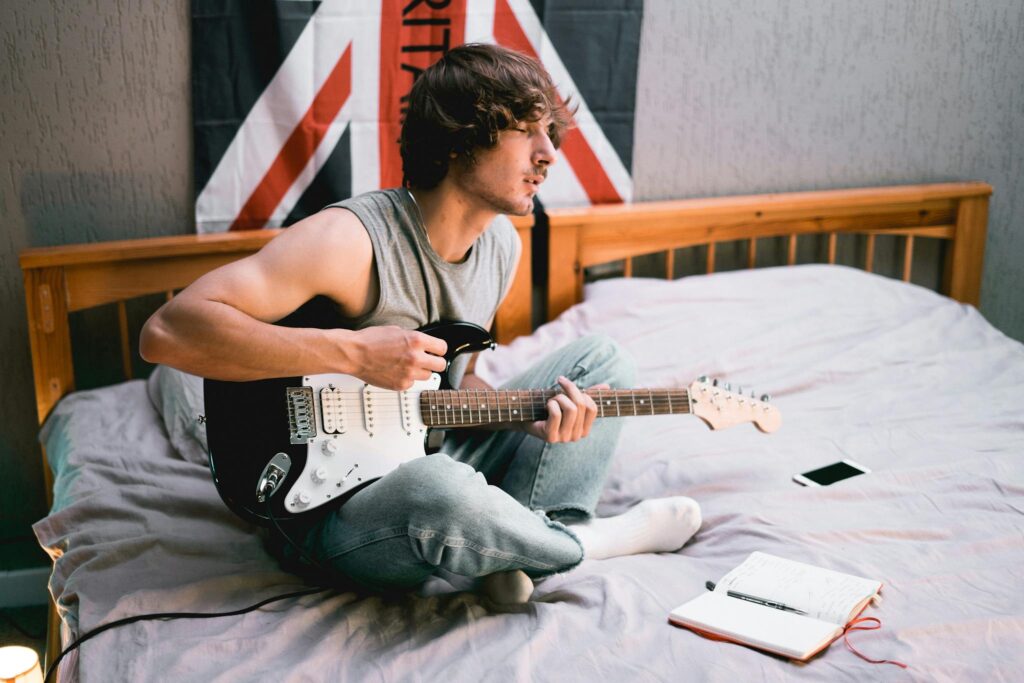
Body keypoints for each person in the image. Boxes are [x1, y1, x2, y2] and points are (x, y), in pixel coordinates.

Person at [140, 43, 701, 604]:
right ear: (461, 139)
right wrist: (354, 355)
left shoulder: (501, 246)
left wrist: (527, 418)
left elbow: (455, 384)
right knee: (438, 489)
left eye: (549, 133)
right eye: (526, 130)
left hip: (424, 445)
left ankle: (516, 555)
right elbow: (167, 332)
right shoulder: (351, 241)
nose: (549, 153)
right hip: (332, 503)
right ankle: (578, 542)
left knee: (604, 361)